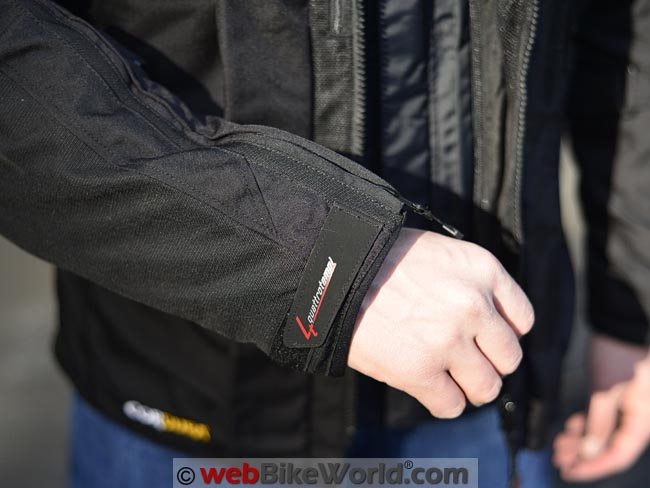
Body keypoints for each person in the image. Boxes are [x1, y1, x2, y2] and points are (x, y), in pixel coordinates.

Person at [1, 0, 649, 487]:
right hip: (197, 407)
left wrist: (633, 298)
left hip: (483, 386)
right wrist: (333, 270)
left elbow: (624, 23)